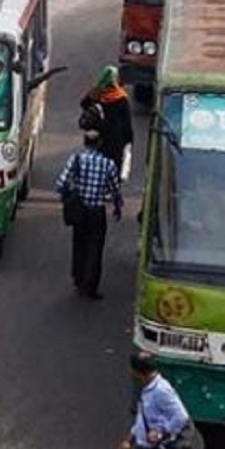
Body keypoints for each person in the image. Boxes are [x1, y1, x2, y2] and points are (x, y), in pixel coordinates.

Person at [55, 130, 123, 300]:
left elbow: (61, 183)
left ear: (85, 143)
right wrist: (117, 207)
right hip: (96, 212)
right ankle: (90, 285)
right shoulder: (108, 164)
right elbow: (115, 190)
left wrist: (69, 195)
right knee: (95, 247)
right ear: (100, 143)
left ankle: (78, 278)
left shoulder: (76, 159)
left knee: (79, 243)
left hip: (80, 210)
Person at [119, 352, 193, 449]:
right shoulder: (146, 388)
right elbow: (142, 419)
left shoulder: (161, 390)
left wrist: (161, 432)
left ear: (138, 372)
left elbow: (181, 417)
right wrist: (129, 441)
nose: (130, 372)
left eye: (132, 369)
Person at [79, 66, 134, 181]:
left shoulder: (97, 94)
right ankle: (111, 188)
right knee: (114, 165)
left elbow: (84, 104)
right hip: (115, 138)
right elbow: (126, 122)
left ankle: (96, 185)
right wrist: (129, 141)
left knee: (96, 162)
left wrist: (96, 88)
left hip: (98, 135)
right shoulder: (121, 98)